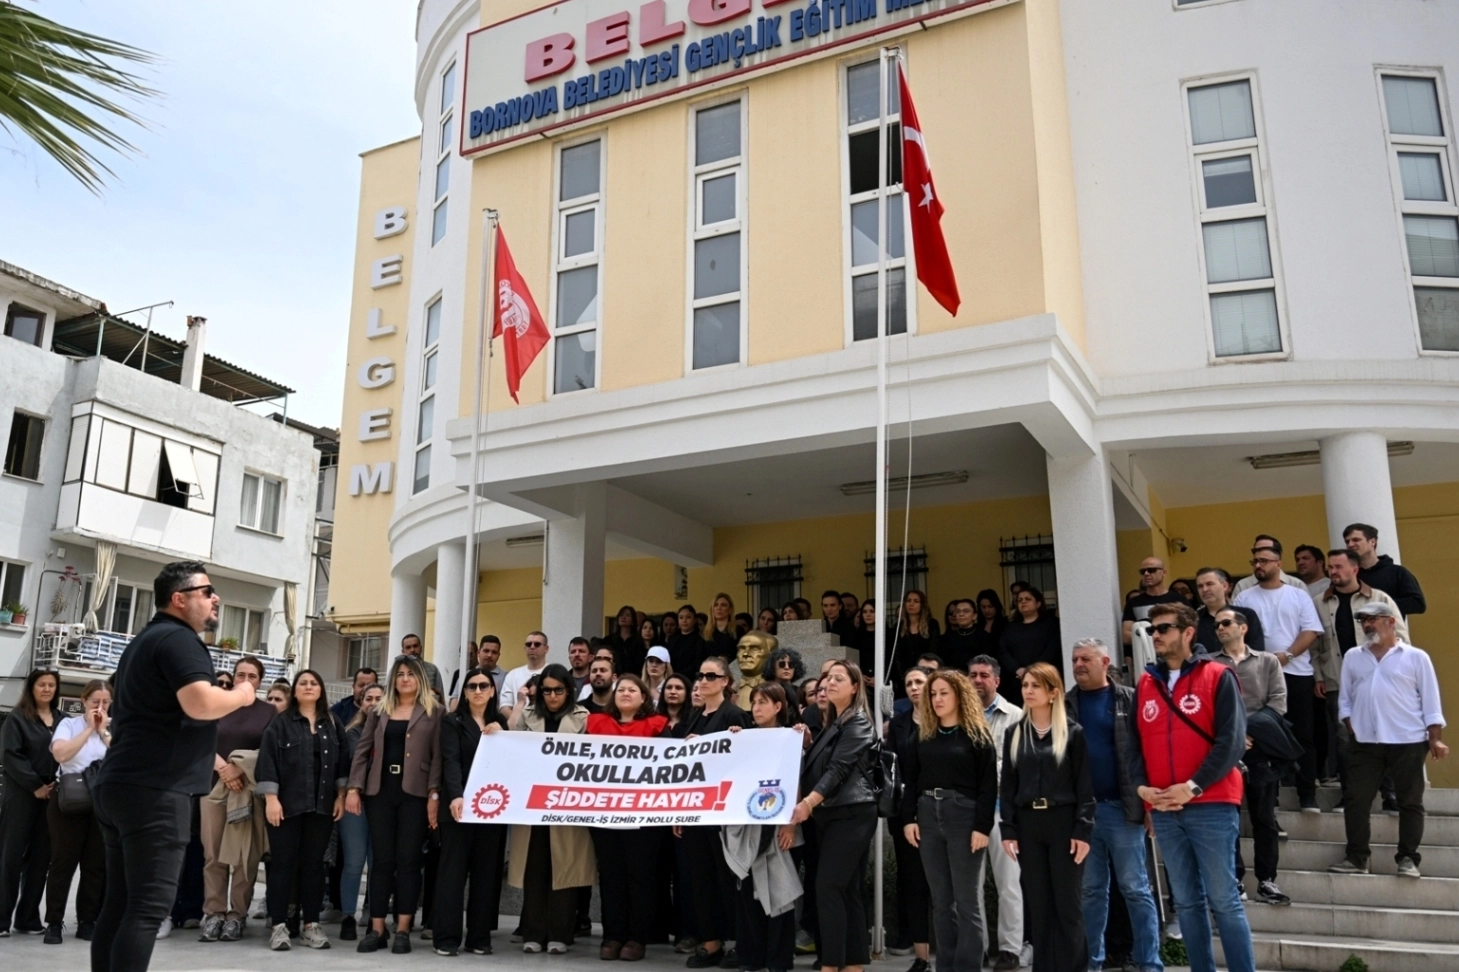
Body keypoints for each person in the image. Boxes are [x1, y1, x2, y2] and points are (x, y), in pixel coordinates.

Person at [90, 561, 259, 972]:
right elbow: (200, 703)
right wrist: (243, 694)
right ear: (179, 599)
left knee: (121, 903)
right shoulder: (179, 639)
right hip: (155, 790)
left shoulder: (146, 640)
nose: (216, 598)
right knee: (147, 908)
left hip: (124, 785)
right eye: (207, 591)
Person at [1127, 602, 1254, 972]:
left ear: (1187, 632)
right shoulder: (1146, 683)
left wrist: (1194, 786)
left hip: (1211, 804)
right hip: (1164, 808)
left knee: (1224, 900)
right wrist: (1142, 789)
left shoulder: (1218, 675)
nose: (1155, 635)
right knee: (1185, 902)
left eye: (1163, 628)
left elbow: (1231, 742)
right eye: (1152, 629)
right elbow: (1133, 744)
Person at [1329, 602, 1447, 878]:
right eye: (1363, 620)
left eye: (1373, 619)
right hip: (1365, 743)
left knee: (1410, 801)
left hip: (1407, 740)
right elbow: (1345, 700)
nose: (1367, 625)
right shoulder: (1354, 656)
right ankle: (1357, 857)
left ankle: (1408, 858)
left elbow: (1431, 702)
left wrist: (1435, 739)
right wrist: (1352, 726)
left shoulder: (1416, 657)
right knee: (1356, 799)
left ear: (1391, 622)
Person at [1065, 640, 1162, 972]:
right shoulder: (1065, 704)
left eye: (1085, 659)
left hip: (1123, 810)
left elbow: (1148, 753)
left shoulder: (1129, 699)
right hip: (1082, 815)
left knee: (1135, 889)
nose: (1078, 665)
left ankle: (1150, 963)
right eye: (1075, 659)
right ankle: (1092, 963)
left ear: (1105, 662)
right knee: (1091, 892)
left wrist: (1149, 807)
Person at [1000, 663, 1094, 972]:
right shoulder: (1015, 733)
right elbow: (1008, 785)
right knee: (1038, 906)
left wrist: (1083, 830)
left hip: (1063, 822)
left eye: (1035, 686)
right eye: (1025, 685)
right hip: (1028, 824)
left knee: (1068, 906)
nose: (1028, 691)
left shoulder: (1073, 733)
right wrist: (1008, 829)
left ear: (1053, 693)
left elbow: (1084, 787)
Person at [346, 655, 442, 955]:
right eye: (400, 674)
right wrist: (354, 788)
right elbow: (363, 751)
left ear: (420, 679)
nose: (405, 679)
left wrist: (434, 794)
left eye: (410, 674)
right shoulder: (379, 710)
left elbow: (438, 757)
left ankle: (402, 928)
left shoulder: (435, 711)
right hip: (380, 792)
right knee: (382, 862)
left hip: (415, 794)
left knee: (409, 861)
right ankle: (377, 929)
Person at [902, 671, 998, 972]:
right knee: (941, 901)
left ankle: (968, 967)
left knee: (967, 901)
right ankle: (945, 965)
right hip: (927, 814)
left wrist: (982, 827)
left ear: (959, 695)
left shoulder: (977, 735)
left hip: (964, 815)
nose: (937, 699)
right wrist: (908, 819)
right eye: (933, 694)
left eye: (944, 692)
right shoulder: (922, 735)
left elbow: (988, 786)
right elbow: (910, 780)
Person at [790, 660, 876, 972]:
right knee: (846, 888)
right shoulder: (834, 722)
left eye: (839, 678)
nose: (830, 683)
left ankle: (831, 964)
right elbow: (821, 764)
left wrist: (808, 803)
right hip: (833, 816)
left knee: (827, 886)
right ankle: (853, 963)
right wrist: (807, 745)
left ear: (855, 687)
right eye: (828, 678)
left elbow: (838, 770)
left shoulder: (859, 722)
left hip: (851, 814)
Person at [256, 669, 346, 951]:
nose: (308, 687)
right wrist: (271, 798)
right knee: (282, 864)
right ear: (294, 691)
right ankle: (279, 926)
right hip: (285, 806)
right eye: (303, 683)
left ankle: (311, 925)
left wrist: (341, 795)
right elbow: (267, 761)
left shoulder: (332, 723)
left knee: (314, 866)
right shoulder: (280, 723)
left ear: (321, 690)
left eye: (314, 683)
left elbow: (343, 761)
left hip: (322, 806)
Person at [508, 664, 595, 954]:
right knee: (535, 868)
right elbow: (513, 751)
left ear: (569, 690)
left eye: (559, 690)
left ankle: (560, 933)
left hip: (568, 805)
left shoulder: (583, 717)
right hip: (532, 805)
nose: (553, 696)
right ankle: (533, 933)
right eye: (547, 690)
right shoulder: (528, 716)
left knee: (565, 868)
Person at [1209, 608, 1292, 905]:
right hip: (1224, 750)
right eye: (1216, 625)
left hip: (1260, 748)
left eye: (1226, 623)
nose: (1220, 628)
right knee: (1227, 818)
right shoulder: (1209, 664)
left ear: (1243, 628)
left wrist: (1249, 731)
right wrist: (1234, 735)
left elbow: (1278, 702)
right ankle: (1235, 878)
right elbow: (1206, 706)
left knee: (1264, 818)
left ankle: (1267, 880)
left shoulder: (1267, 661)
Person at [1235, 546, 1325, 813]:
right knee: (1262, 735)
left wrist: (1287, 655)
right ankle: (1269, 797)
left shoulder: (1298, 594)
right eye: (1255, 561)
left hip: (1296, 673)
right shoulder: (1243, 597)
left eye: (1264, 561)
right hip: (1257, 676)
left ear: (1278, 563)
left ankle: (1307, 795)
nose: (1258, 565)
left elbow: (1311, 631)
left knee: (1304, 735)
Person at [587, 675, 668, 960]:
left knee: (640, 875)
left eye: (633, 689)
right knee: (611, 875)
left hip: (643, 816)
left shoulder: (658, 726)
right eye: (620, 689)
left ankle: (637, 937)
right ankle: (613, 935)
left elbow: (671, 765)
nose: (625, 693)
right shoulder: (595, 724)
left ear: (643, 697)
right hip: (604, 813)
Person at [678, 657, 753, 967]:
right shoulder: (695, 715)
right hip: (697, 811)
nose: (704, 680)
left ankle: (738, 941)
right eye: (701, 675)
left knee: (727, 880)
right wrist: (679, 811)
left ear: (725, 681)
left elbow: (746, 760)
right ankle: (711, 942)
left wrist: (708, 743)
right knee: (701, 879)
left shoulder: (734, 715)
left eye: (711, 676)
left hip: (724, 813)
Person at [722, 681, 800, 972]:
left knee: (778, 891)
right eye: (753, 702)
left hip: (778, 826)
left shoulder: (790, 738)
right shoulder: (744, 738)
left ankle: (778, 959)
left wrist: (790, 825)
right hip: (747, 825)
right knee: (748, 893)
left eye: (763, 702)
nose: (756, 708)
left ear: (778, 707)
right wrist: (731, 741)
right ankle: (751, 956)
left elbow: (795, 782)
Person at [1313, 550, 1408, 785]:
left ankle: (1390, 793)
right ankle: (1351, 793)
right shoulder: (1318, 603)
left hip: (1379, 680)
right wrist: (1318, 676)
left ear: (1355, 569)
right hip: (1336, 679)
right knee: (1344, 738)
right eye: (1330, 567)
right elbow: (1314, 646)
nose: (1333, 571)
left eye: (1338, 567)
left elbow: (1401, 638)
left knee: (1384, 732)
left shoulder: (1380, 599)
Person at [433, 667, 508, 956]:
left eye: (483, 686)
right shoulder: (452, 721)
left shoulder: (500, 723)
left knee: (485, 874)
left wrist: (503, 735)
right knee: (452, 874)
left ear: (492, 690)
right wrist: (455, 795)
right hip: (460, 808)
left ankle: (479, 938)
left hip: (492, 810)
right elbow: (450, 760)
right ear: (464, 692)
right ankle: (446, 938)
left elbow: (510, 761)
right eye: (472, 686)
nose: (478, 691)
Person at [198, 655, 273, 944]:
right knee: (213, 855)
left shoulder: (269, 712)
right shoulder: (216, 706)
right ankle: (214, 913)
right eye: (240, 674)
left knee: (245, 856)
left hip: (248, 791)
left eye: (252, 676)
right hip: (213, 788)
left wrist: (239, 768)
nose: (245, 680)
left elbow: (270, 750)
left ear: (260, 681)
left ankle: (237, 915)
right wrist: (224, 769)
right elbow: (200, 741)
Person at [966, 656, 1024, 972]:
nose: (977, 680)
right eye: (972, 675)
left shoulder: (1016, 715)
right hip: (967, 814)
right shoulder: (959, 716)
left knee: (1009, 884)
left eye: (984, 675)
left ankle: (1010, 950)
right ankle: (978, 948)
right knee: (969, 887)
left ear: (997, 681)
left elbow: (1018, 765)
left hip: (1003, 814)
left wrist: (983, 774)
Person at [43, 679, 111, 944]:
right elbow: (61, 754)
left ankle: (87, 920)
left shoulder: (114, 727)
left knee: (95, 865)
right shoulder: (69, 725)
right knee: (63, 862)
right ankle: (54, 922)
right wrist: (89, 729)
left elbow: (122, 757)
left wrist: (103, 731)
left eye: (105, 702)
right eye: (95, 702)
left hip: (101, 802)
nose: (100, 707)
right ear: (84, 701)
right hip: (69, 801)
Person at [0, 667, 62, 938]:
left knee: (40, 859)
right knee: (10, 857)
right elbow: (10, 755)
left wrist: (54, 785)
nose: (47, 689)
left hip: (51, 797)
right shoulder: (17, 719)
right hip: (21, 795)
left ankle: (27, 918)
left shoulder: (62, 720)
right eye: (41, 684)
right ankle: (1, 919)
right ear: (31, 688)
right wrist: (35, 785)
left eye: (51, 685)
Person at [883, 666, 932, 971]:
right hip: (906, 815)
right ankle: (921, 956)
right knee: (913, 884)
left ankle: (956, 949)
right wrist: (903, 815)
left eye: (919, 682)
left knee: (946, 886)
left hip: (941, 812)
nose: (914, 687)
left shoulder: (945, 719)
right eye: (909, 683)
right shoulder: (898, 725)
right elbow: (892, 770)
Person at [337, 683, 383, 941]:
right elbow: (352, 764)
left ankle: (373, 915)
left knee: (379, 864)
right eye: (368, 698)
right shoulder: (351, 732)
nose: (373, 703)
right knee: (354, 862)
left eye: (379, 698)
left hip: (383, 804)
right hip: (355, 803)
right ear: (361, 703)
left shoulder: (395, 730)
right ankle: (347, 916)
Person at [1344, 523, 1425, 616]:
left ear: (1372, 542)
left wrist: (1379, 606)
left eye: (1356, 540)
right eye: (1347, 541)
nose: (1350, 545)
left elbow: (1417, 603)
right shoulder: (1347, 575)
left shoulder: (1397, 572)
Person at [998, 587, 1063, 704]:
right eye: (1020, 600)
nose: (1023, 602)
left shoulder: (1050, 625)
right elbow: (1003, 651)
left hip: (1043, 679)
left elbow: (1051, 650)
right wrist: (1016, 669)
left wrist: (1031, 670)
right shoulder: (1010, 628)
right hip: (1017, 682)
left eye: (1028, 599)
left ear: (1038, 604)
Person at [1193, 567, 1265, 655]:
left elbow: (1257, 652)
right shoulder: (1193, 620)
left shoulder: (1246, 615)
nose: (1205, 589)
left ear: (1225, 586)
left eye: (1210, 584)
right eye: (1200, 586)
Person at [1121, 558, 1186, 647]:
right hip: (1145, 654)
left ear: (1163, 572)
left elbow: (1189, 629)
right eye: (1142, 572)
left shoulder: (1179, 599)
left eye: (1151, 570)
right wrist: (1154, 638)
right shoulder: (1134, 603)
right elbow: (1126, 635)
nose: (1146, 574)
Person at [890, 590, 940, 695]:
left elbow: (933, 651)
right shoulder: (899, 626)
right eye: (908, 601)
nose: (911, 604)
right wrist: (902, 676)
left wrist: (924, 673)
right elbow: (896, 654)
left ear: (922, 605)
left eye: (916, 601)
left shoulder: (931, 624)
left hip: (925, 674)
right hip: (903, 677)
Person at [1231, 536, 1307, 596]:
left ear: (1278, 559)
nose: (1261, 552)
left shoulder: (1297, 585)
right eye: (1257, 550)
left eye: (1264, 560)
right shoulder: (1243, 586)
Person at [501, 632, 550, 721]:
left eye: (537, 644)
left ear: (546, 649)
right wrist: (519, 724)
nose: (532, 647)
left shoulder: (553, 673)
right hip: (517, 727)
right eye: (528, 644)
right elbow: (505, 707)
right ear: (525, 648)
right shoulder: (512, 675)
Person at [936, 598, 980, 673]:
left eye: (966, 611)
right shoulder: (947, 638)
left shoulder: (984, 637)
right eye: (958, 611)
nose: (961, 614)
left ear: (974, 616)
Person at [399, 633, 445, 702]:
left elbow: (440, 695)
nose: (412, 650)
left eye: (415, 646)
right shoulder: (396, 671)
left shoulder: (433, 669)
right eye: (408, 647)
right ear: (403, 651)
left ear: (421, 648)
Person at [608, 605, 648, 677]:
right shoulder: (609, 640)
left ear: (633, 621)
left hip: (634, 677)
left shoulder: (639, 641)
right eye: (621, 615)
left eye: (628, 615)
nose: (623, 617)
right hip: (614, 677)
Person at [668, 605, 707, 677]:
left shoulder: (700, 640)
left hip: (690, 678)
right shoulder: (672, 639)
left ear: (695, 620)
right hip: (671, 677)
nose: (684, 620)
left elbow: (697, 663)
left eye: (688, 617)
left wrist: (680, 676)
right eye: (681, 617)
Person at [704, 593, 740, 659]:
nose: (719, 608)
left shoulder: (738, 630)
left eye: (723, 605)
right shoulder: (705, 632)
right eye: (716, 605)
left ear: (730, 609)